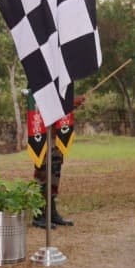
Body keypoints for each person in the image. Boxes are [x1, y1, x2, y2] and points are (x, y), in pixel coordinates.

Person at [32, 94, 85, 228]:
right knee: (43, 173)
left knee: (55, 172)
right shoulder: (41, 77)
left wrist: (70, 104)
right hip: (43, 131)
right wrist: (70, 102)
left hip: (56, 132)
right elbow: (46, 101)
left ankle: (51, 213)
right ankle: (38, 215)